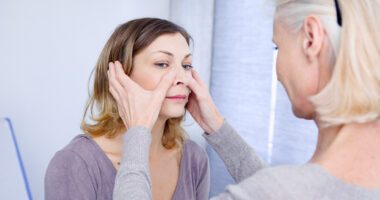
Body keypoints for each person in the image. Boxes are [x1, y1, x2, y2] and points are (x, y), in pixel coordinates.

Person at [110, 0, 380, 199]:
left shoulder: (196, 161)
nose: (276, 72)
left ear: (311, 38)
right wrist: (217, 127)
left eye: (278, 47)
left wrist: (137, 134)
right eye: (161, 64)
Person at [45, 18, 210, 200]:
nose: (184, 78)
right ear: (121, 76)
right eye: (162, 63)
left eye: (186, 65)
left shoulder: (194, 159)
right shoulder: (75, 163)